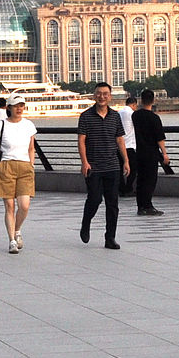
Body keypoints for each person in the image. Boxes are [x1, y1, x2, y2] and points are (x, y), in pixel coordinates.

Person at [77, 82, 129, 249]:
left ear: (110, 96)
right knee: (95, 199)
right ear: (94, 96)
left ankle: (110, 238)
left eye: (105, 94)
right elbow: (81, 140)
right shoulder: (85, 116)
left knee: (113, 204)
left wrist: (126, 160)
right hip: (93, 166)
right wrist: (84, 162)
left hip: (112, 166)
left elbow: (120, 140)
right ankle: (86, 223)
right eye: (99, 93)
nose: (102, 96)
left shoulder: (115, 116)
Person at [0, 96, 38, 253]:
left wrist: (31, 164)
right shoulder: (2, 124)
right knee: (9, 206)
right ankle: (12, 239)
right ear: (9, 108)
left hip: (25, 167)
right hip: (7, 166)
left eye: (21, 105)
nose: (19, 108)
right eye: (15, 106)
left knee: (24, 205)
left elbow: (32, 147)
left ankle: (17, 230)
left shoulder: (28, 125)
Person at [132, 89, 170, 216]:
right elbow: (160, 138)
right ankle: (148, 205)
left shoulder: (135, 116)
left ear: (140, 100)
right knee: (150, 180)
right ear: (153, 100)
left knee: (141, 180)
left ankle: (140, 206)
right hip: (151, 153)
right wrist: (164, 153)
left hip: (139, 152)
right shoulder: (154, 118)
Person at [117, 90, 140, 196]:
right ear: (134, 104)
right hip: (129, 146)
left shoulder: (118, 113)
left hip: (118, 146)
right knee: (133, 168)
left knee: (119, 169)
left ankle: (121, 189)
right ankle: (128, 188)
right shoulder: (132, 114)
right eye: (136, 106)